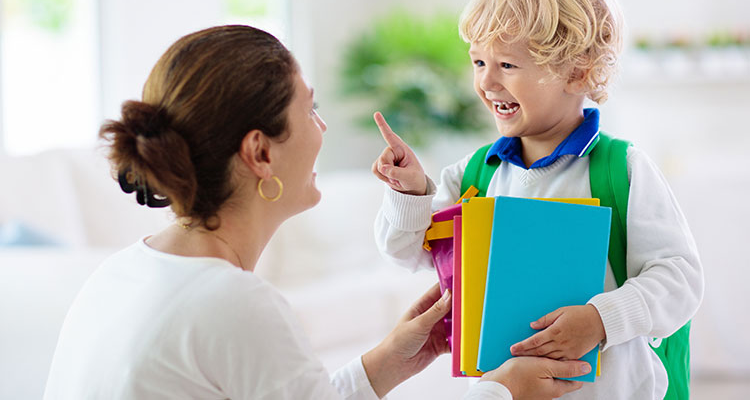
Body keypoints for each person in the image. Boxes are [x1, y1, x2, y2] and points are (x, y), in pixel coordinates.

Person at [44, 25, 590, 400]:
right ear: (260, 153)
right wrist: (503, 389)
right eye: (311, 108)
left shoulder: (124, 272)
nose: (322, 129)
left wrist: (382, 364)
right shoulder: (231, 300)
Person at [372, 0, 704, 399]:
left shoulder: (622, 169)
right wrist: (411, 194)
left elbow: (680, 279)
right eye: (479, 62)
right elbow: (404, 254)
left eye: (507, 64)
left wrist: (601, 319)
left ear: (578, 73)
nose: (487, 83)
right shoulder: (474, 176)